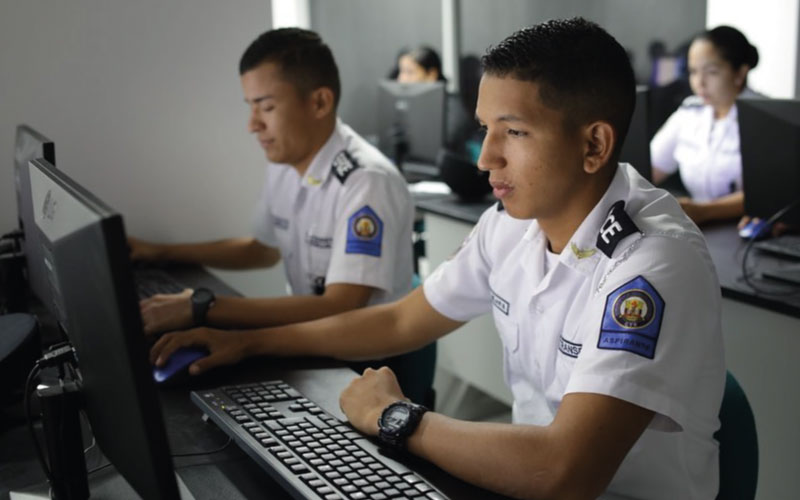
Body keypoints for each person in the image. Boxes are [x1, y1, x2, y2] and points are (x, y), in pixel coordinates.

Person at [151, 18, 725, 499]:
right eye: (485, 129)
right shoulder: (512, 224)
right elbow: (403, 320)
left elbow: (564, 471)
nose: (485, 158)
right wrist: (248, 343)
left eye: (514, 132)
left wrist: (396, 417)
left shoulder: (650, 261)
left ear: (593, 144)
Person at [130, 29, 432, 402]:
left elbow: (340, 304)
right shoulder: (286, 161)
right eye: (250, 106)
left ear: (319, 102)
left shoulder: (366, 181)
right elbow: (262, 249)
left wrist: (203, 307)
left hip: (368, 367)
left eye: (267, 107)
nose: (252, 124)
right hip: (311, 344)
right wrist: (160, 252)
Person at [650, 26, 761, 225]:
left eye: (711, 72)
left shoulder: (763, 117)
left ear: (740, 73)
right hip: (697, 225)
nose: (699, 83)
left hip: (742, 228)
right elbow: (649, 169)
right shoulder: (689, 112)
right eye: (693, 72)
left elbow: (775, 191)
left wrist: (704, 211)